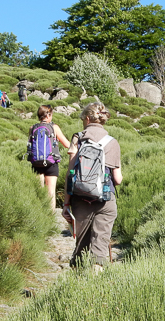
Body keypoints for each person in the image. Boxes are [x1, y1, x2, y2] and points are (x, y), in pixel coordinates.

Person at [61, 102, 122, 272]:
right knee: (100, 245)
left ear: (87, 118)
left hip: (80, 199)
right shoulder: (112, 142)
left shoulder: (78, 138)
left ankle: (77, 283)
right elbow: (117, 179)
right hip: (105, 199)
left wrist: (66, 204)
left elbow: (70, 173)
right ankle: (96, 282)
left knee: (82, 245)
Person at [29, 105, 70, 209]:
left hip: (36, 163)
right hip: (51, 163)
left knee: (38, 190)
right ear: (48, 116)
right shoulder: (54, 128)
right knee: (50, 192)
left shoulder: (32, 128)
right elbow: (66, 144)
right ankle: (50, 217)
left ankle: (39, 214)